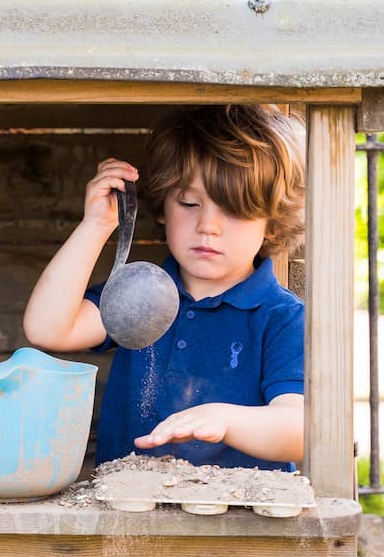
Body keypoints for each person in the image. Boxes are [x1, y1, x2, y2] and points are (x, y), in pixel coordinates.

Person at [22, 104, 306, 470]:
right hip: (130, 513)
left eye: (233, 210)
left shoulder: (282, 317)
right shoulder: (142, 293)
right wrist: (96, 225)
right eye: (189, 202)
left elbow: (298, 430)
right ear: (162, 205)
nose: (208, 225)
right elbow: (48, 329)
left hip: (238, 521)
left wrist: (225, 420)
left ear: (271, 222)